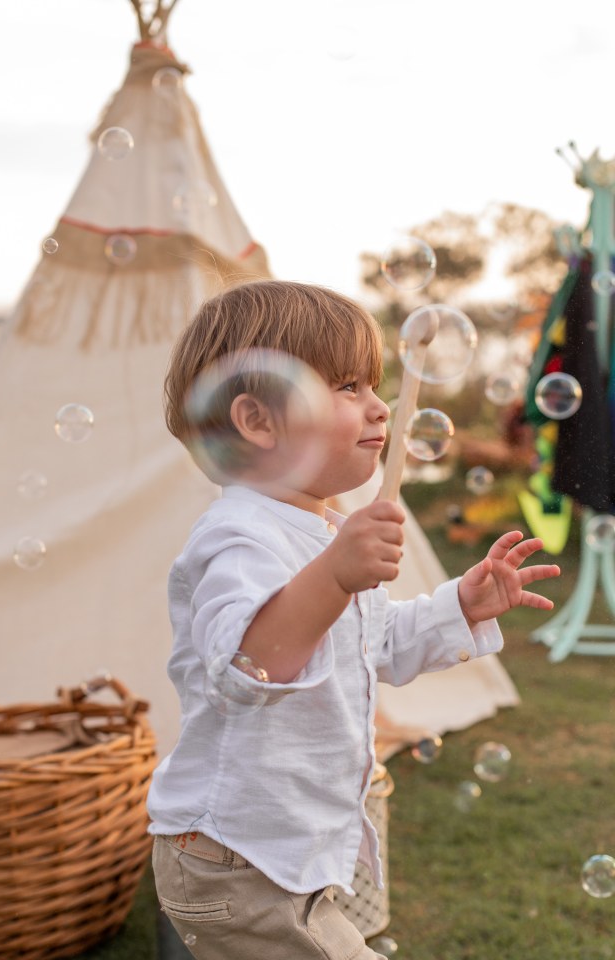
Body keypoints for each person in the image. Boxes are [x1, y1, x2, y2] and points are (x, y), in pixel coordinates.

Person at [147, 280, 560, 960]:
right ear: (258, 421)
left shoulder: (327, 530)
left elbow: (375, 644)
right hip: (236, 857)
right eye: (346, 386)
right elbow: (249, 668)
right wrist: (336, 573)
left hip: (283, 849)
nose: (380, 407)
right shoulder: (239, 536)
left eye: (375, 384)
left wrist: (461, 603)